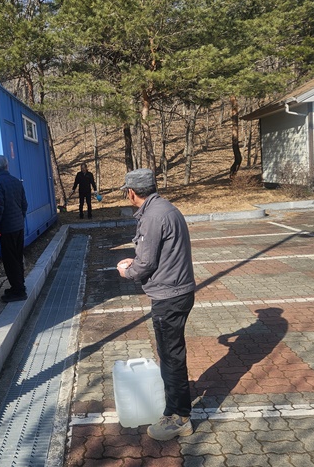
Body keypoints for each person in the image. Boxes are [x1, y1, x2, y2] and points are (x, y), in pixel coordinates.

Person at [116, 168, 196, 441]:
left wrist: (127, 271)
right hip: (178, 290)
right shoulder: (166, 208)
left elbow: (147, 262)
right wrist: (136, 261)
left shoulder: (152, 216)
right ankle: (176, 405)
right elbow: (156, 254)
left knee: (171, 357)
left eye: (126, 192)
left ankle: (179, 417)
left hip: (169, 296)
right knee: (172, 354)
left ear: (131, 193)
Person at [0, 155, 29, 302]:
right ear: (7, 166)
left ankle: (18, 291)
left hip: (7, 228)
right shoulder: (16, 181)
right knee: (17, 257)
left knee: (10, 260)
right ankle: (19, 286)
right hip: (18, 225)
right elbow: (24, 204)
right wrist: (20, 218)